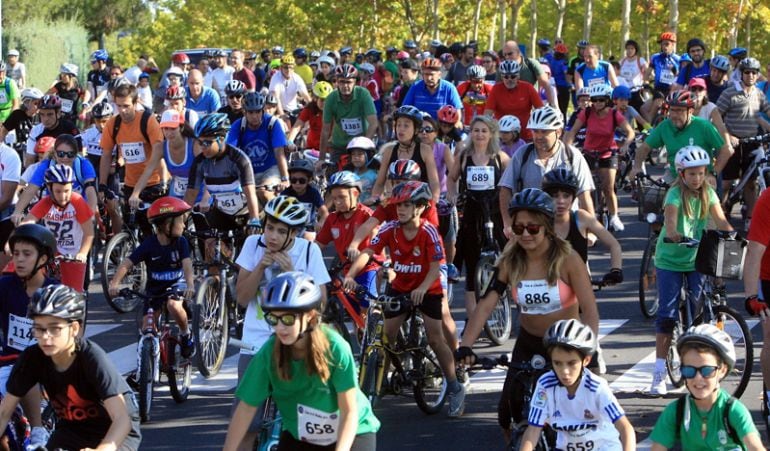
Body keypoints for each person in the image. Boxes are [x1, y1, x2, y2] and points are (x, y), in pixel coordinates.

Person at [455, 188, 599, 442]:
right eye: (518, 228)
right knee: (506, 410)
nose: (525, 234)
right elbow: (486, 304)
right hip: (529, 342)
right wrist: (466, 345)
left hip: (566, 345)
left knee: (584, 413)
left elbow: (589, 309)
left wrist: (590, 349)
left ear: (546, 227)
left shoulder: (568, 259)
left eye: (532, 229)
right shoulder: (510, 261)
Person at [344, 181, 466, 417]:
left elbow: (434, 268)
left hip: (427, 288)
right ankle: (380, 383)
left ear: (420, 208)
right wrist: (350, 275)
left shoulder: (429, 231)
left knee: (434, 338)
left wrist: (421, 288)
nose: (400, 209)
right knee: (387, 336)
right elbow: (368, 253)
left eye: (406, 205)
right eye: (398, 204)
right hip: (399, 286)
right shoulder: (390, 228)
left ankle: (454, 386)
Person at [225, 272, 378, 451]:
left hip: (352, 431)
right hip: (302, 434)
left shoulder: (335, 347)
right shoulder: (269, 352)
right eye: (273, 318)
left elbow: (349, 412)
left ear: (310, 316)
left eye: (288, 319)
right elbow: (245, 409)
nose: (279, 327)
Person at [231, 197, 330, 450]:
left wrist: (293, 272)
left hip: (294, 342)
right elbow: (242, 298)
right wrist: (259, 267)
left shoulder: (309, 251)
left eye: (281, 231)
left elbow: (319, 305)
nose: (272, 236)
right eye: (269, 227)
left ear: (294, 234)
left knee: (302, 422)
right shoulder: (253, 245)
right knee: (246, 423)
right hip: (254, 342)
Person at [0, 284, 142, 450]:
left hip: (114, 429)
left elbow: (121, 419)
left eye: (54, 329)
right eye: (39, 328)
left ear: (74, 328)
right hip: (72, 429)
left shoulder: (91, 358)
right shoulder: (32, 357)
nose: (45, 337)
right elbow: (4, 413)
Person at [648, 146, 733, 395]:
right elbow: (671, 226)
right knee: (667, 316)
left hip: (696, 259)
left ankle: (701, 363)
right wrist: (676, 236)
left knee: (699, 313)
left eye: (701, 173)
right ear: (681, 173)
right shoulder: (674, 194)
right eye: (692, 174)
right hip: (670, 260)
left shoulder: (709, 192)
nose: (697, 178)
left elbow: (722, 222)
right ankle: (658, 374)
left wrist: (735, 239)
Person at [520, 319, 635, 451]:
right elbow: (533, 429)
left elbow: (626, 428)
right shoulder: (546, 385)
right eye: (557, 363)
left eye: (572, 363)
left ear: (585, 360)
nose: (564, 372)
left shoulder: (597, 387)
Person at [649, 324, 764, 450]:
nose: (698, 378)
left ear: (722, 370)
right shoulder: (676, 411)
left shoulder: (733, 411)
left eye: (707, 370)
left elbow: (755, 447)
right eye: (689, 370)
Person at [108, 196, 196, 358]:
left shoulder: (181, 242)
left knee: (174, 306)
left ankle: (186, 335)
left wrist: (190, 284)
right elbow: (127, 263)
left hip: (176, 285)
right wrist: (115, 283)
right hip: (154, 289)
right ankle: (147, 362)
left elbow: (187, 265)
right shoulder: (149, 244)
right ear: (166, 224)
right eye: (180, 221)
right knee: (146, 325)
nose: (184, 225)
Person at [0, 224, 59, 448]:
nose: (19, 260)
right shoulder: (5, 286)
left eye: (27, 254)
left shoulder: (55, 291)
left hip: (45, 365)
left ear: (43, 259)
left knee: (26, 366)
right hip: (7, 364)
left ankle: (38, 431)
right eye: (16, 254)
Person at [498, 106, 595, 239]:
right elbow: (505, 189)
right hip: (531, 229)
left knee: (576, 259)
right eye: (535, 131)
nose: (538, 136)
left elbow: (584, 195)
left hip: (565, 228)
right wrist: (508, 223)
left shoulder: (573, 156)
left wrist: (590, 229)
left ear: (558, 132)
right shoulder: (522, 154)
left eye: (544, 132)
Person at [447, 116, 509, 319]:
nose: (479, 134)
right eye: (476, 130)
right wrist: (452, 194)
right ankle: (472, 318)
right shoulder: (464, 156)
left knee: (509, 255)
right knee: (472, 265)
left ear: (491, 133)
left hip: (495, 212)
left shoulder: (500, 157)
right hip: (472, 212)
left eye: (483, 130)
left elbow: (511, 185)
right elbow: (452, 178)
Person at [563, 84, 635, 232]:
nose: (597, 104)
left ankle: (614, 216)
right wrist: (567, 149)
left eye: (601, 100)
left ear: (607, 100)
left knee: (608, 188)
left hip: (608, 153)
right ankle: (584, 216)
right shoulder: (587, 113)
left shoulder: (615, 115)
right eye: (594, 100)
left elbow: (630, 132)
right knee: (583, 188)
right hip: (589, 152)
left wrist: (626, 144)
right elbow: (573, 131)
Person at [630, 90, 731, 184]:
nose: (673, 115)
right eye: (672, 110)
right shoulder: (665, 126)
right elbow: (644, 148)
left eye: (679, 110)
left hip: (700, 178)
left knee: (711, 201)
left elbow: (726, 150)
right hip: (675, 176)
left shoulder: (704, 126)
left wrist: (713, 174)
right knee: (650, 199)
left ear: (690, 111)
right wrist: (636, 167)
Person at [21, 164, 94, 292]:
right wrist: (16, 237)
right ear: (50, 189)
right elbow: (28, 222)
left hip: (74, 252)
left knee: (74, 293)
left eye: (67, 191)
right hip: (53, 252)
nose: (63, 196)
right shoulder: (46, 202)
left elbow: (89, 233)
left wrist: (82, 253)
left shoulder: (77, 201)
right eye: (58, 191)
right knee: (41, 290)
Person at [716, 57, 770, 229]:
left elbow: (766, 111)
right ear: (741, 73)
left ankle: (750, 219)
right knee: (725, 183)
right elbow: (716, 117)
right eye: (747, 72)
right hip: (732, 143)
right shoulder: (730, 93)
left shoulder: (759, 94)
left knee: (751, 184)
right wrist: (728, 136)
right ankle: (720, 215)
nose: (751, 75)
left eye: (755, 72)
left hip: (752, 143)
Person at [184, 113, 260, 231]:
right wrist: (181, 220)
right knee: (210, 244)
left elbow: (250, 194)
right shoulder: (199, 162)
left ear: (221, 139)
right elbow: (190, 195)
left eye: (207, 143)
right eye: (200, 142)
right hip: (221, 213)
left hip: (244, 212)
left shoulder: (239, 159)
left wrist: (254, 219)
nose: (202, 147)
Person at [99, 84, 167, 215]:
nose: (122, 110)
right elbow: (106, 155)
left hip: (154, 182)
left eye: (126, 106)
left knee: (158, 227)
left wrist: (162, 182)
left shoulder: (148, 121)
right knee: (130, 226)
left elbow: (158, 154)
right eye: (118, 106)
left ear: (135, 104)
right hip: (131, 184)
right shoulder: (113, 124)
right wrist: (102, 184)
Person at [316, 171, 380, 296]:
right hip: (346, 271)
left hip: (369, 269)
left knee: (366, 309)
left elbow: (375, 248)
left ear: (355, 194)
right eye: (334, 198)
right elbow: (318, 245)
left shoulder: (367, 215)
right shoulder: (332, 219)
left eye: (342, 197)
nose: (337, 202)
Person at [13, 134, 99, 227]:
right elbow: (31, 189)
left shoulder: (83, 165)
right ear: (54, 154)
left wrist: (91, 213)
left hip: (79, 210)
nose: (65, 158)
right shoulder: (46, 165)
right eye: (61, 154)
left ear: (76, 155)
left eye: (70, 154)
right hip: (53, 212)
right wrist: (17, 211)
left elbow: (90, 190)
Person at [225, 92, 290, 202]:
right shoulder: (237, 125)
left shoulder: (273, 123)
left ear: (263, 110)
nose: (255, 116)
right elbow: (230, 152)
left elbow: (279, 152)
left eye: (258, 111)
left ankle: (274, 219)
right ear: (244, 112)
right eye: (250, 112)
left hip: (270, 169)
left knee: (264, 193)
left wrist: (285, 178)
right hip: (247, 172)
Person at [370, 105, 441, 203]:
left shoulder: (425, 150)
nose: (401, 129)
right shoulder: (389, 150)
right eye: (398, 125)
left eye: (406, 125)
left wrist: (434, 201)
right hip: (394, 202)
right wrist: (375, 198)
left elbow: (434, 183)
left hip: (419, 203)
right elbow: (379, 183)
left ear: (416, 130)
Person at [484, 60, 543, 142]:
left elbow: (540, 110)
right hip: (502, 136)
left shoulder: (528, 88)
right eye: (506, 77)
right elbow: (487, 114)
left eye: (513, 76)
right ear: (501, 77)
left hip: (524, 135)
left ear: (518, 76)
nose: (509, 79)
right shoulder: (496, 89)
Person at [24, 94, 79, 168]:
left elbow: (80, 155)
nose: (45, 119)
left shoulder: (70, 128)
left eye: (50, 114)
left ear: (58, 113)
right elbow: (30, 159)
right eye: (42, 115)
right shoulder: (36, 130)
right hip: (42, 169)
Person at [402, 58, 463, 122]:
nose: (429, 78)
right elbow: (405, 110)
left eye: (431, 74)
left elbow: (457, 114)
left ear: (439, 75)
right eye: (426, 74)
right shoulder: (415, 87)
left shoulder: (449, 88)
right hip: (421, 128)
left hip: (442, 128)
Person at [280, 159, 328, 239]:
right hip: (289, 227)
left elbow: (325, 213)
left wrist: (320, 223)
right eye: (293, 180)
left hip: (308, 228)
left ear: (309, 180)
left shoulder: (313, 193)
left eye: (302, 181)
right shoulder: (286, 193)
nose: (297, 184)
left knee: (309, 238)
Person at [499, 40, 555, 106]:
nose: (507, 57)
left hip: (532, 106)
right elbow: (498, 90)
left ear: (518, 52)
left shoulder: (531, 64)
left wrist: (552, 105)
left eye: (510, 54)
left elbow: (546, 85)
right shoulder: (502, 68)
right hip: (509, 107)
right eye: (505, 55)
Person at [288, 81, 331, 153]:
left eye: (327, 100)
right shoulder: (309, 109)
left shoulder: (334, 111)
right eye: (322, 100)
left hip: (328, 150)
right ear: (315, 99)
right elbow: (297, 127)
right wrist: (290, 142)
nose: (325, 103)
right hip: (311, 149)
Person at [268, 55, 311, 120]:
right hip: (277, 110)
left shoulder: (297, 78)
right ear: (281, 68)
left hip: (293, 110)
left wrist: (314, 110)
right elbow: (276, 98)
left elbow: (306, 96)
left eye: (291, 67)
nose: (288, 70)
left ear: (294, 68)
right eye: (285, 67)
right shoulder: (276, 77)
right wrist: (282, 114)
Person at [0, 87, 43, 153]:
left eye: (40, 104)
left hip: (39, 150)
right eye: (36, 104)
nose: (39, 107)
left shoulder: (42, 115)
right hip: (23, 150)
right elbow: (4, 131)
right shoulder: (17, 115)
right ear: (27, 102)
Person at [341, 137, 378, 205]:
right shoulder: (348, 174)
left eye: (360, 154)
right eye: (353, 154)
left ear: (369, 155)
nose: (356, 157)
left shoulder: (375, 175)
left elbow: (377, 196)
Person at [617, 40, 648, 111]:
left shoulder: (640, 60)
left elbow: (648, 72)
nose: (629, 50)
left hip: (636, 91)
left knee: (639, 110)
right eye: (628, 48)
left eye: (632, 48)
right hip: (623, 92)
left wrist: (646, 80)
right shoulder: (622, 61)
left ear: (635, 50)